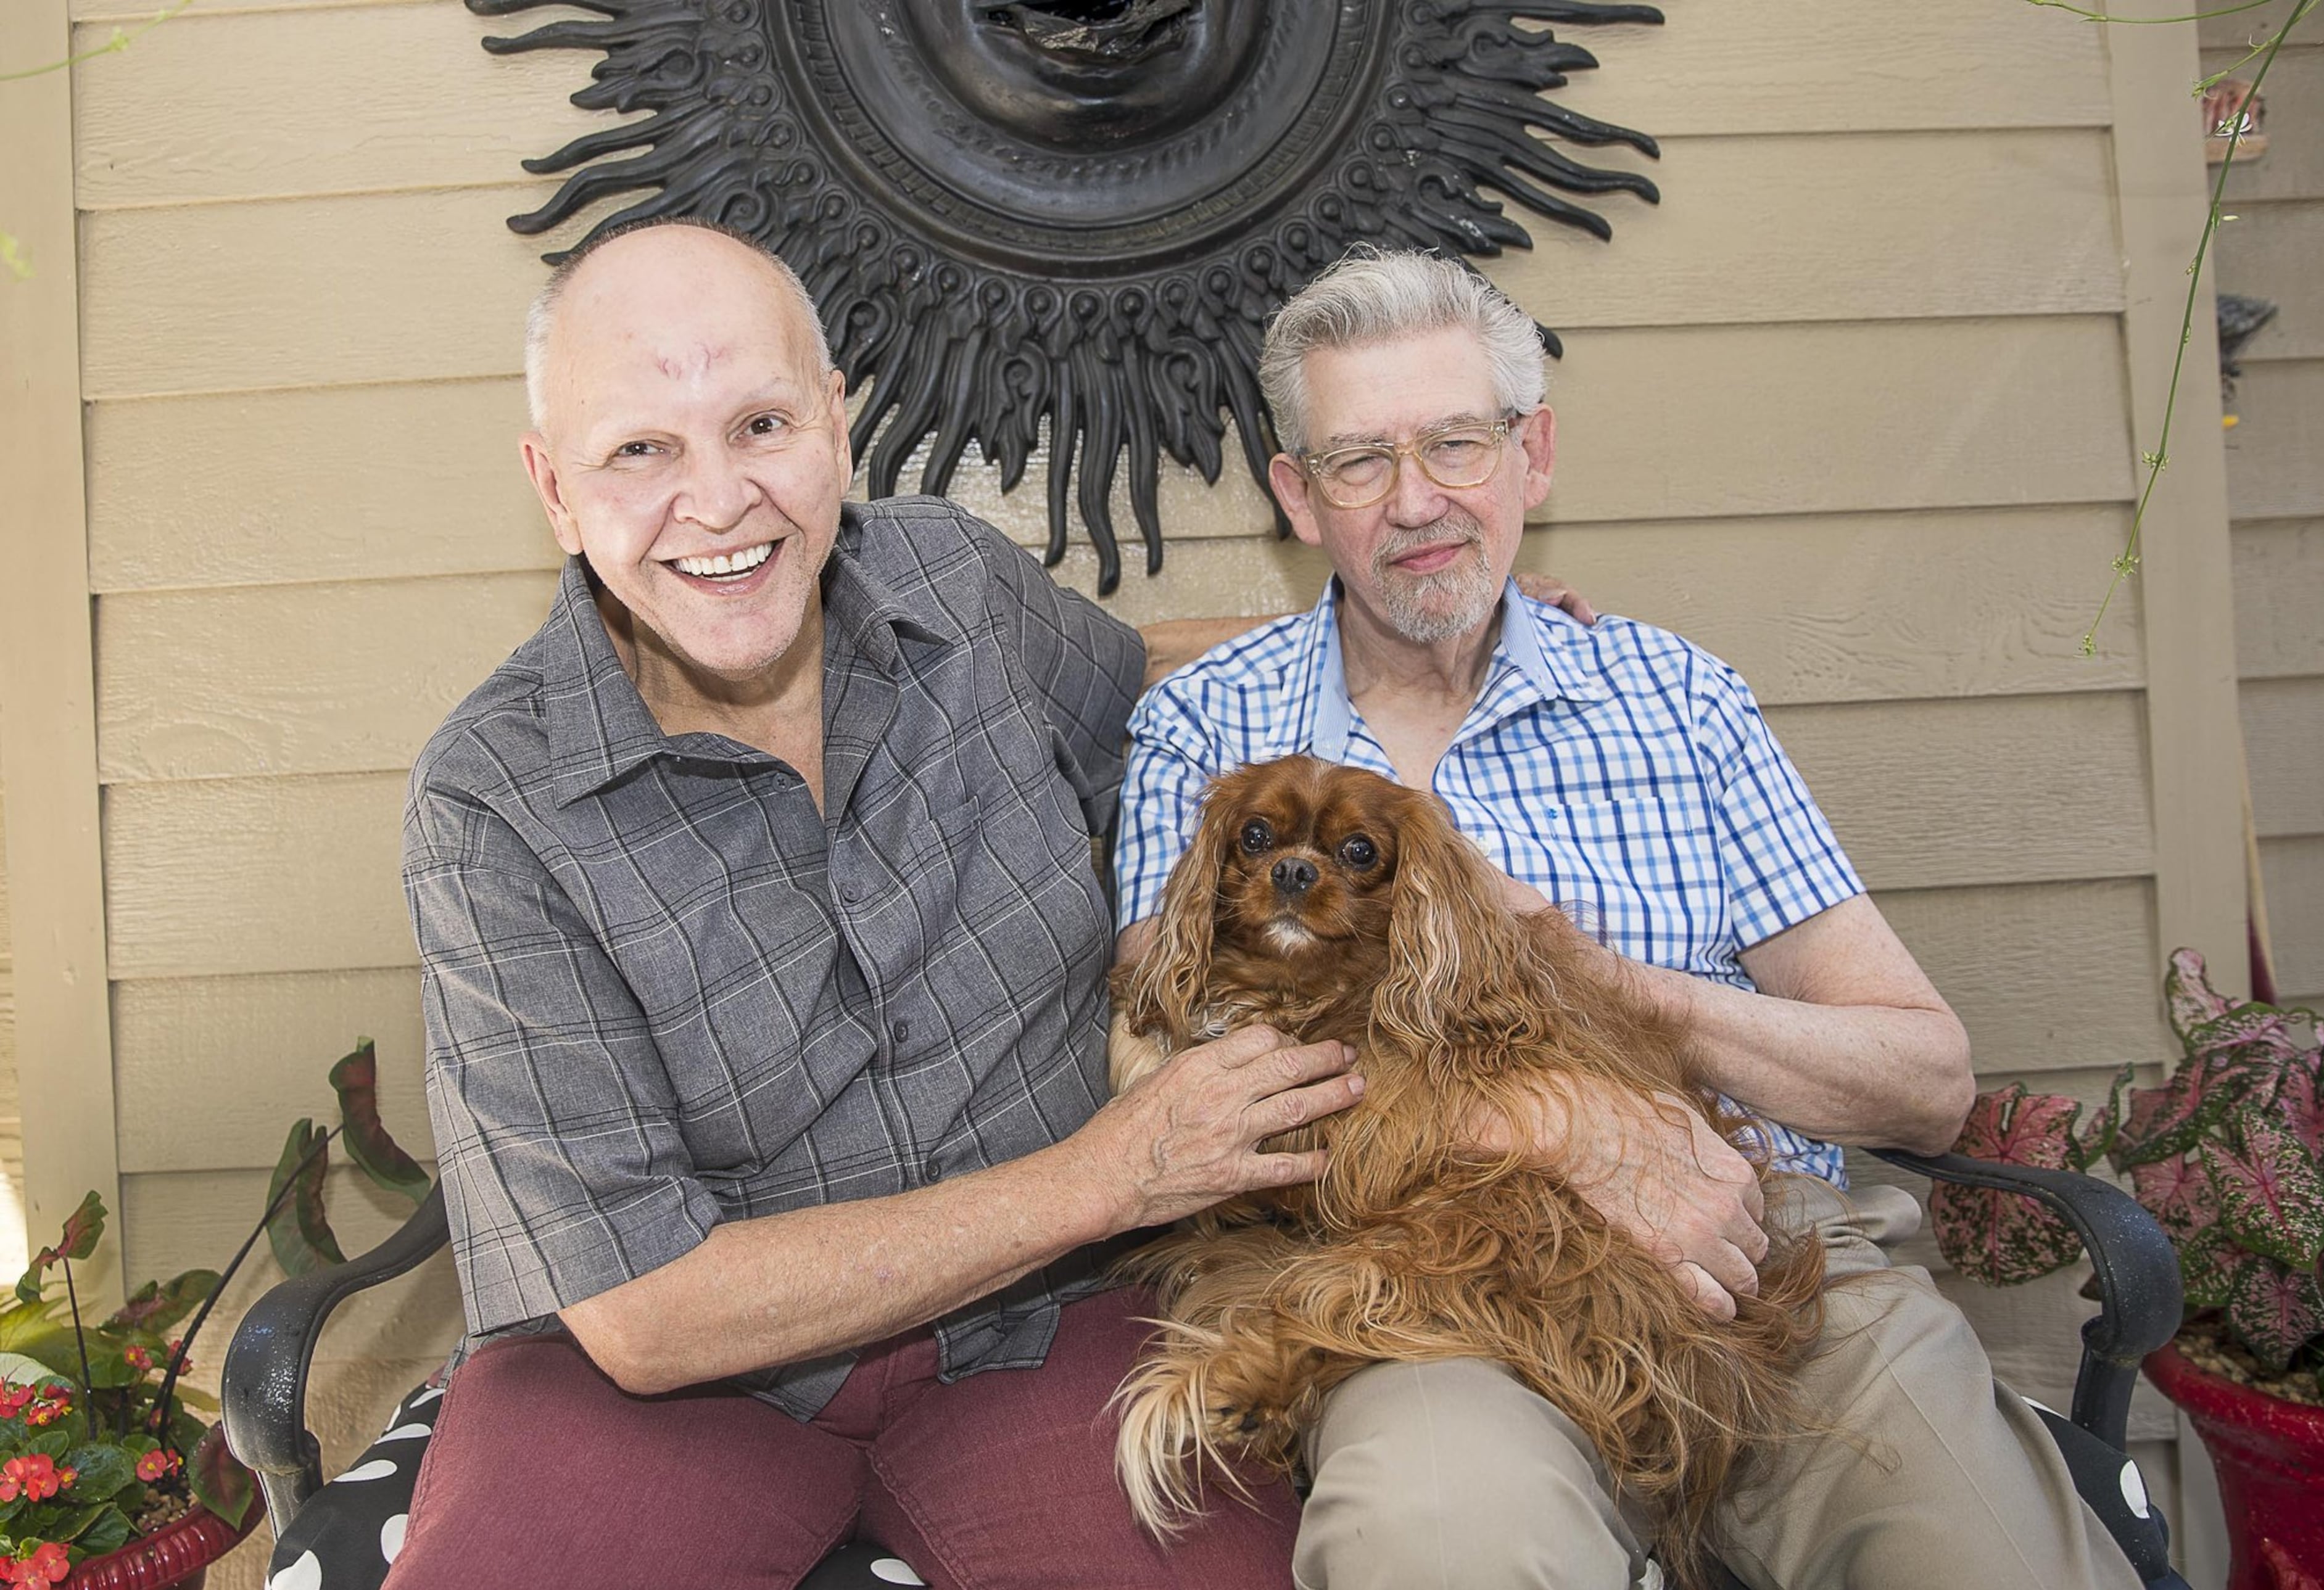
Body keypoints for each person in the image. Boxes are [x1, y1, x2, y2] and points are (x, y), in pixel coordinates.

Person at [1113, 247, 2146, 1590]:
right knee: (1437, 1539)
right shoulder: (1209, 724)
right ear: (1298, 497)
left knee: (1990, 1558)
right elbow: (1168, 1052)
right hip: (1411, 1279)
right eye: (1361, 462)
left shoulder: (1678, 697)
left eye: (1457, 443)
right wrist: (1557, 1118)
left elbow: (1926, 1080)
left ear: (1533, 454)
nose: (1418, 501)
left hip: (1757, 1241)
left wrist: (1638, 1000)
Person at [386, 218, 1368, 1589]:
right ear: (555, 490)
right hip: (662, 1395)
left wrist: (1383, 632)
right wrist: (1110, 1171)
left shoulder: (955, 589)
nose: (719, 501)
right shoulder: (490, 800)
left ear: (838, 427)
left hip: (1042, 1335)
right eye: (640, 451)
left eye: (762, 422)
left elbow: (1146, 676)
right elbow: (644, 1312)